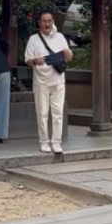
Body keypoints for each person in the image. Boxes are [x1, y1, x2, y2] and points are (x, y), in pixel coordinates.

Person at [25, 11, 73, 157]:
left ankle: (56, 142)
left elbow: (69, 57)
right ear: (39, 23)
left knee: (58, 113)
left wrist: (67, 54)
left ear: (53, 22)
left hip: (58, 79)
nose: (47, 24)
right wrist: (35, 61)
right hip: (41, 81)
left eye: (49, 21)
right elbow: (27, 60)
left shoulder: (60, 37)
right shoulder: (33, 39)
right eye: (44, 21)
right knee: (42, 113)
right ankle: (44, 142)